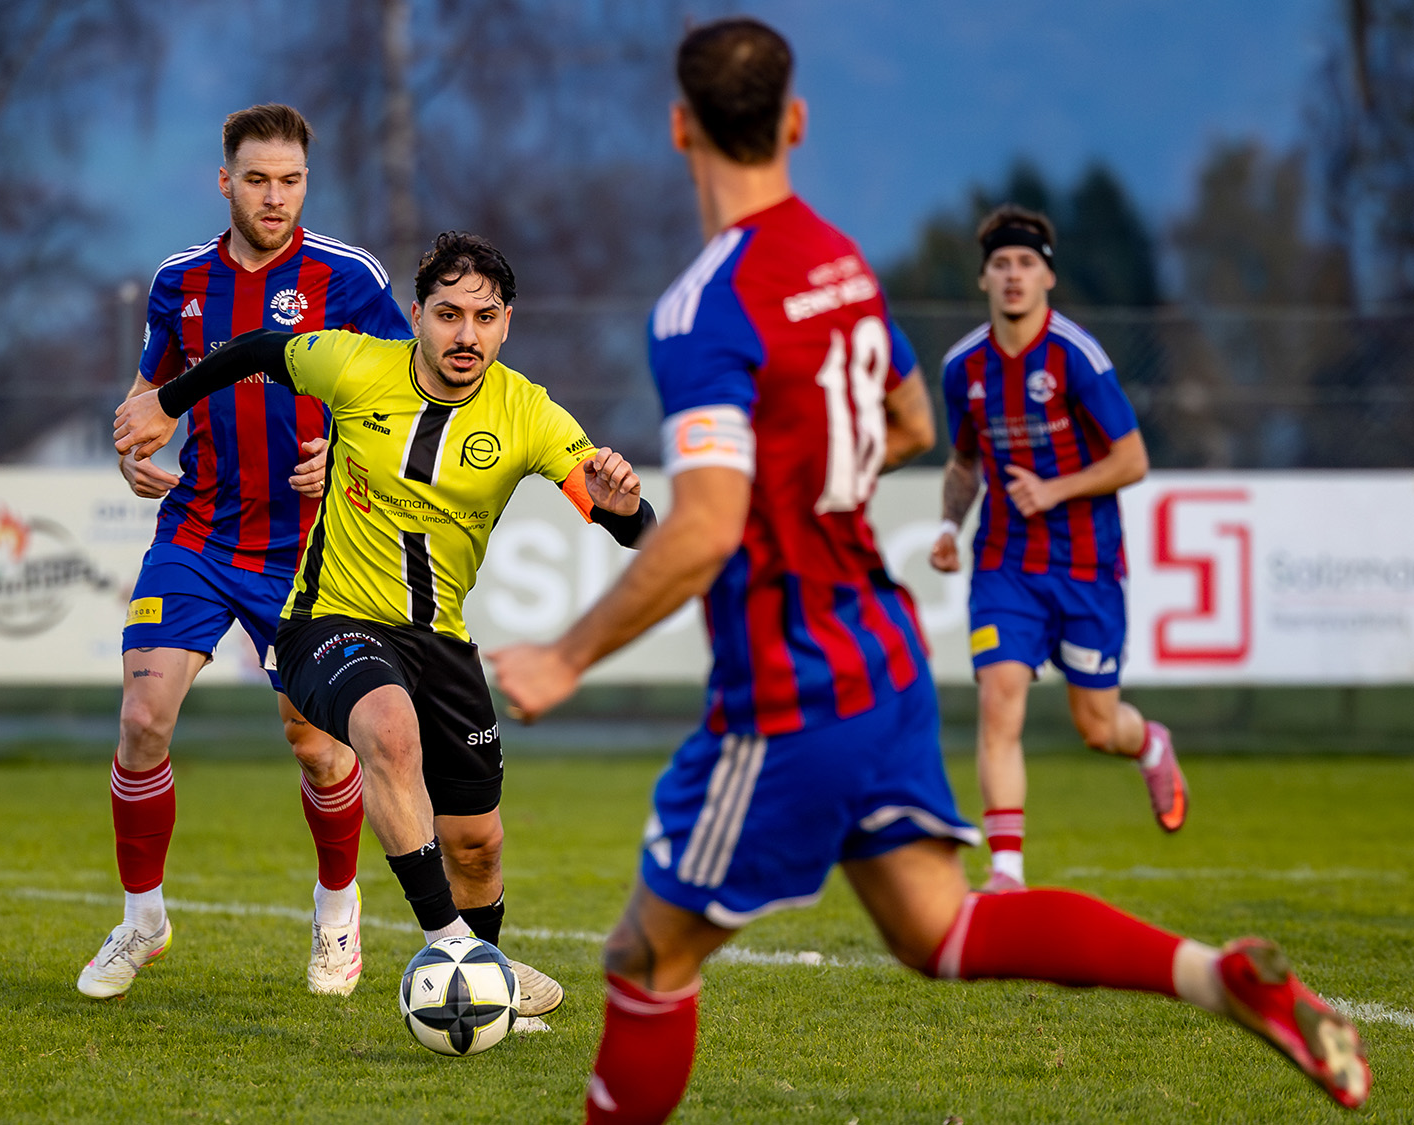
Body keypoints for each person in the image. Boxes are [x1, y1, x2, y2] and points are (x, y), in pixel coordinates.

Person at [487, 17, 1370, 1121]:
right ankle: (1215, 973)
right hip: (883, 646)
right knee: (939, 931)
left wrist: (567, 658)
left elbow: (707, 524)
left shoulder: (701, 306)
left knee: (643, 959)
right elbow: (907, 421)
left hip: (789, 680)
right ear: (795, 123)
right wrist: (812, 464)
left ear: (680, 129)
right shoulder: (840, 262)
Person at [112, 229, 656, 1027]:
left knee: (477, 844)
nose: (465, 334)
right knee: (389, 733)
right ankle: (451, 949)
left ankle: (484, 976)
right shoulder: (357, 364)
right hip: (326, 621)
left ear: (507, 324)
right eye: (447, 314)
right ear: (416, 317)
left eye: (484, 316)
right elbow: (259, 348)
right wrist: (166, 401)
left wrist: (625, 505)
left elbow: (628, 524)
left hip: (440, 640)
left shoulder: (530, 413)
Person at [79, 104, 414, 1002]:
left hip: (307, 548)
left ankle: (337, 910)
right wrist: (130, 444)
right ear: (223, 182)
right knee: (143, 719)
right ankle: (142, 919)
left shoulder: (348, 276)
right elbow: (150, 390)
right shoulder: (179, 281)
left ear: (308, 182)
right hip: (195, 530)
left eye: (291, 180)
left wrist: (343, 452)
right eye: (258, 179)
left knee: (313, 742)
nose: (275, 196)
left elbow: (406, 397)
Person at [929, 204, 1187, 891]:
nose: (1013, 276)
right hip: (1005, 564)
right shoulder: (964, 368)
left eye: (1026, 263)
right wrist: (951, 528)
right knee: (1000, 695)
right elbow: (964, 462)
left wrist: (1056, 489)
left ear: (1048, 275)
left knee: (1098, 727)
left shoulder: (1076, 357)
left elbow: (1132, 459)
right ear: (983, 279)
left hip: (1086, 566)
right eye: (1001, 264)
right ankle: (1006, 871)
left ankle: (1150, 741)